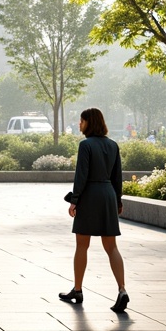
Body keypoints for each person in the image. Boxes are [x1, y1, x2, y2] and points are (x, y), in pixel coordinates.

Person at [60, 107, 129, 312]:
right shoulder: (113, 145)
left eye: (82, 121)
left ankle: (78, 289)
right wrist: (118, 201)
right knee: (111, 246)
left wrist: (74, 200)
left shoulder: (85, 145)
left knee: (82, 245)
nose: (79, 125)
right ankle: (122, 290)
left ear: (89, 122)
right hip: (108, 194)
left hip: (90, 195)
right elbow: (118, 177)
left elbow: (81, 175)